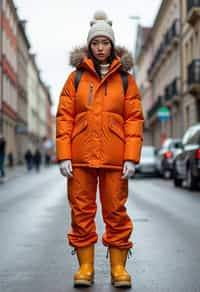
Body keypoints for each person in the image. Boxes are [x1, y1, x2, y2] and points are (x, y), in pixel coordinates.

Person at [56, 11, 144, 288]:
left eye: (105, 42)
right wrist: (64, 155)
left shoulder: (127, 80)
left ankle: (119, 269)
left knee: (116, 212)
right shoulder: (76, 79)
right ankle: (85, 268)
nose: (101, 48)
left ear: (112, 45)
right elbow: (64, 117)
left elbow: (134, 119)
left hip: (115, 159)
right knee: (81, 211)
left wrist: (131, 157)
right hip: (81, 158)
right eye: (96, 43)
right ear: (89, 46)